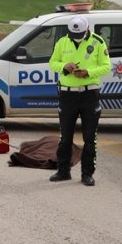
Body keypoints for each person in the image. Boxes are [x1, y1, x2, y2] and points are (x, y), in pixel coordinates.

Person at [48, 15, 111, 186]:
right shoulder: (62, 42)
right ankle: (63, 171)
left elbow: (106, 66)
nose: (76, 37)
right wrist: (64, 67)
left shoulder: (98, 42)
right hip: (67, 95)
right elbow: (52, 62)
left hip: (89, 94)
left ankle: (87, 174)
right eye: (73, 34)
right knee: (65, 137)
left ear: (87, 29)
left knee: (90, 138)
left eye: (79, 34)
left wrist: (88, 72)